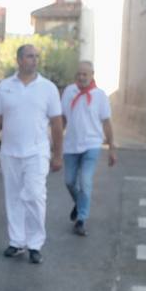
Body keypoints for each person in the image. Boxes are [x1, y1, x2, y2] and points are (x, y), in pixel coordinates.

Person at [0, 45, 64, 264]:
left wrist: (58, 154)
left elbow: (57, 123)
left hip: (37, 152)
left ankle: (35, 244)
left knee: (35, 195)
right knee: (14, 197)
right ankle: (17, 241)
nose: (34, 60)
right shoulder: (4, 87)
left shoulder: (48, 88)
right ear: (19, 60)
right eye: (30, 56)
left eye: (36, 56)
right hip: (9, 152)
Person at [61, 60, 117, 236]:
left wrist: (112, 147)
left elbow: (107, 122)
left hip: (92, 144)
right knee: (69, 181)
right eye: (79, 74)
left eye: (85, 74)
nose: (81, 77)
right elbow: (61, 119)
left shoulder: (100, 96)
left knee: (85, 182)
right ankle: (79, 204)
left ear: (92, 75)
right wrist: (54, 144)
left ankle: (81, 219)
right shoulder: (69, 92)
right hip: (71, 145)